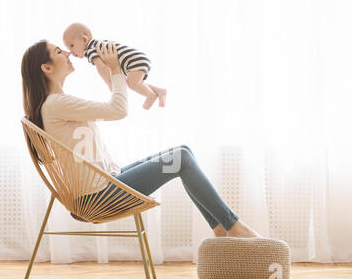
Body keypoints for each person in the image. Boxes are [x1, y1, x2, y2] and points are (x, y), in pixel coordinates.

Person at [21, 39, 262, 238]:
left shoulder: (57, 104)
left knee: (183, 151)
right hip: (100, 196)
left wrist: (113, 71)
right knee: (182, 159)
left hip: (107, 183)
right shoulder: (57, 104)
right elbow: (118, 110)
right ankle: (234, 226)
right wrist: (116, 69)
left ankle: (221, 229)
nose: (67, 53)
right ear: (46, 68)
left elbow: (113, 104)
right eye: (58, 51)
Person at [63, 22, 167, 110]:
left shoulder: (90, 50)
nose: (71, 52)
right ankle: (159, 91)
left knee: (132, 84)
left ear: (84, 39)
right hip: (138, 59)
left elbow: (101, 67)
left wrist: (110, 83)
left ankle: (151, 95)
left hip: (134, 61)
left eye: (72, 46)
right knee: (138, 83)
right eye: (68, 48)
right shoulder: (98, 44)